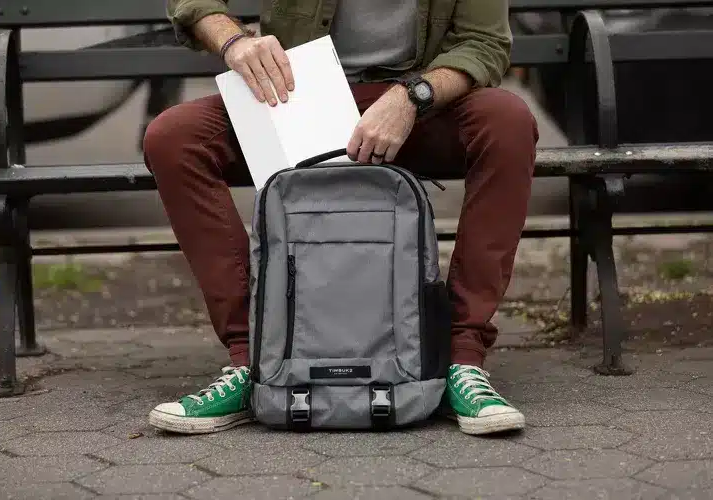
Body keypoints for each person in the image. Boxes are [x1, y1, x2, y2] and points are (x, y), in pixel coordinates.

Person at [144, 0, 539, 436]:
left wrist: (412, 97)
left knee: (507, 123)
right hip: (295, 96)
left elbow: (484, 44)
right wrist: (234, 41)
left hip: (421, 103)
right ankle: (254, 358)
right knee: (175, 139)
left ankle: (462, 358)